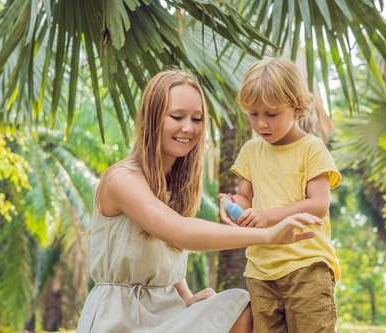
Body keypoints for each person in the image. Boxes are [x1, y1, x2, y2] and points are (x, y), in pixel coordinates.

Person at [76, 69, 324, 333]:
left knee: (243, 306)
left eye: (197, 119)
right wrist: (268, 235)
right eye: (176, 117)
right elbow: (179, 231)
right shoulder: (121, 180)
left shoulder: (175, 186)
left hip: (168, 311)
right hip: (119, 319)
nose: (188, 128)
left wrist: (186, 297)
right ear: (152, 118)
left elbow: (163, 253)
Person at [219, 57, 342, 333]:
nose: (261, 123)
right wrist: (232, 207)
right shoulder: (251, 151)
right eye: (253, 114)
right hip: (260, 270)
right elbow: (245, 198)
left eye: (271, 114)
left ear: (297, 108)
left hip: (307, 266)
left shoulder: (312, 148)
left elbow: (319, 204)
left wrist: (267, 216)